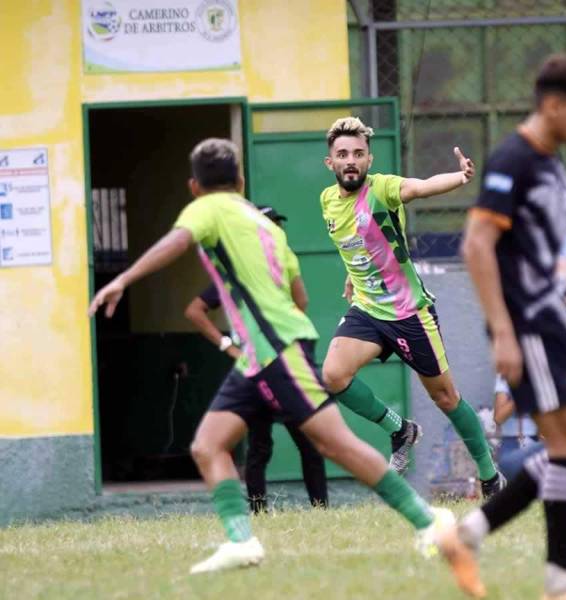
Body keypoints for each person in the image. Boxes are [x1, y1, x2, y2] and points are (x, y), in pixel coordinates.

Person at [89, 138, 452, 575]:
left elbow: (178, 241)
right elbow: (298, 294)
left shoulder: (207, 208)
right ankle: (241, 541)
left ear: (193, 187)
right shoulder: (266, 227)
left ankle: (429, 522)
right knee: (208, 445)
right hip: (263, 353)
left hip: (276, 349)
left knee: (334, 443)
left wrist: (122, 279)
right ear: (240, 180)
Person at [435, 55, 566, 600]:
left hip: (557, 322)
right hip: (528, 325)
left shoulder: (555, 167)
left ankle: (470, 535)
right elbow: (476, 244)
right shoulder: (513, 159)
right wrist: (503, 333)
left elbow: (556, 255)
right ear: (553, 106)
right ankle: (560, 582)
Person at [319, 116, 505, 497]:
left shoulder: (382, 188)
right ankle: (400, 430)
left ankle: (489, 477)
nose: (350, 160)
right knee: (333, 375)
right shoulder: (327, 201)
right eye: (342, 154)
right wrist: (353, 277)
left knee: (446, 398)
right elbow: (356, 244)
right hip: (368, 310)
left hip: (409, 314)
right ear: (331, 163)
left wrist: (459, 177)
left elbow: (420, 188)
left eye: (358, 154)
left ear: (369, 160)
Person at [184, 206, 327, 512]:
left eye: (277, 225)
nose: (274, 231)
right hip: (262, 366)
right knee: (263, 447)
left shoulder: (278, 266)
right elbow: (194, 310)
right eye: (268, 225)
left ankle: (319, 509)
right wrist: (228, 345)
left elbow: (302, 301)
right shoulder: (236, 272)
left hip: (278, 362)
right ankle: (260, 511)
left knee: (305, 444)